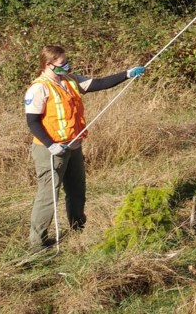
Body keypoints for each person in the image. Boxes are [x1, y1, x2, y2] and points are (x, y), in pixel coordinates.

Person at [24, 44, 145, 251]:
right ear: (48, 65)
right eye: (62, 64)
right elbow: (32, 122)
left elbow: (99, 83)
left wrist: (127, 74)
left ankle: (77, 230)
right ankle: (37, 243)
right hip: (50, 151)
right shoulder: (39, 88)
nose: (66, 67)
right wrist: (51, 145)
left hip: (73, 146)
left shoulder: (71, 80)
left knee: (77, 191)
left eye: (66, 62)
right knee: (48, 195)